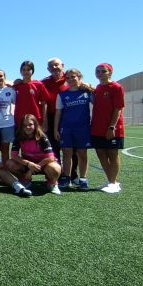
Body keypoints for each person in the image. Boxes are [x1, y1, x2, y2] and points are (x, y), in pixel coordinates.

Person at [6, 114, 63, 195]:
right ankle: (25, 180)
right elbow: (14, 155)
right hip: (28, 164)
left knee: (56, 168)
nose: (27, 127)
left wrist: (32, 168)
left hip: (44, 164)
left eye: (30, 124)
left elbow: (51, 158)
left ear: (35, 125)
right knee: (9, 163)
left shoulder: (42, 137)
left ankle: (52, 182)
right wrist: (29, 164)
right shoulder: (19, 136)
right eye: (25, 125)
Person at [54, 68, 92, 190]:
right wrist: (56, 129)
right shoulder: (62, 95)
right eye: (68, 77)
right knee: (66, 154)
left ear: (79, 77)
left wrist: (91, 88)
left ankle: (83, 179)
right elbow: (58, 113)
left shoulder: (87, 92)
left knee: (82, 154)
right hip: (67, 128)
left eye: (73, 77)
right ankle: (66, 178)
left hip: (83, 128)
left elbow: (99, 104)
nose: (70, 79)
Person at [91, 63, 124, 193]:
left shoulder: (116, 87)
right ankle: (110, 181)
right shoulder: (97, 88)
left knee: (112, 154)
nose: (100, 73)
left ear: (110, 73)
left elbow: (118, 108)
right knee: (101, 154)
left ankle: (113, 183)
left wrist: (112, 127)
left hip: (111, 128)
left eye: (103, 71)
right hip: (97, 127)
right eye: (97, 71)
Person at [13, 60, 50, 130]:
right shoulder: (16, 86)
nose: (26, 72)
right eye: (23, 70)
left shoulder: (39, 85)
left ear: (32, 71)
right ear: (20, 71)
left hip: (35, 119)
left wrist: (45, 121)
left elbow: (44, 104)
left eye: (28, 69)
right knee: (21, 140)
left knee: (35, 140)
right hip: (19, 119)